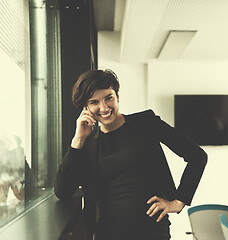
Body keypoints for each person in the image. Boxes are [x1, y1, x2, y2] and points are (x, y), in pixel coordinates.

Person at [54, 69, 207, 240]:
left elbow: (197, 156)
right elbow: (63, 191)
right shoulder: (87, 143)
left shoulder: (145, 123)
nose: (104, 108)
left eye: (108, 98)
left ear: (117, 96)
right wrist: (78, 140)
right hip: (107, 234)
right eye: (94, 102)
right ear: (86, 108)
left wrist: (178, 202)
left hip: (151, 232)